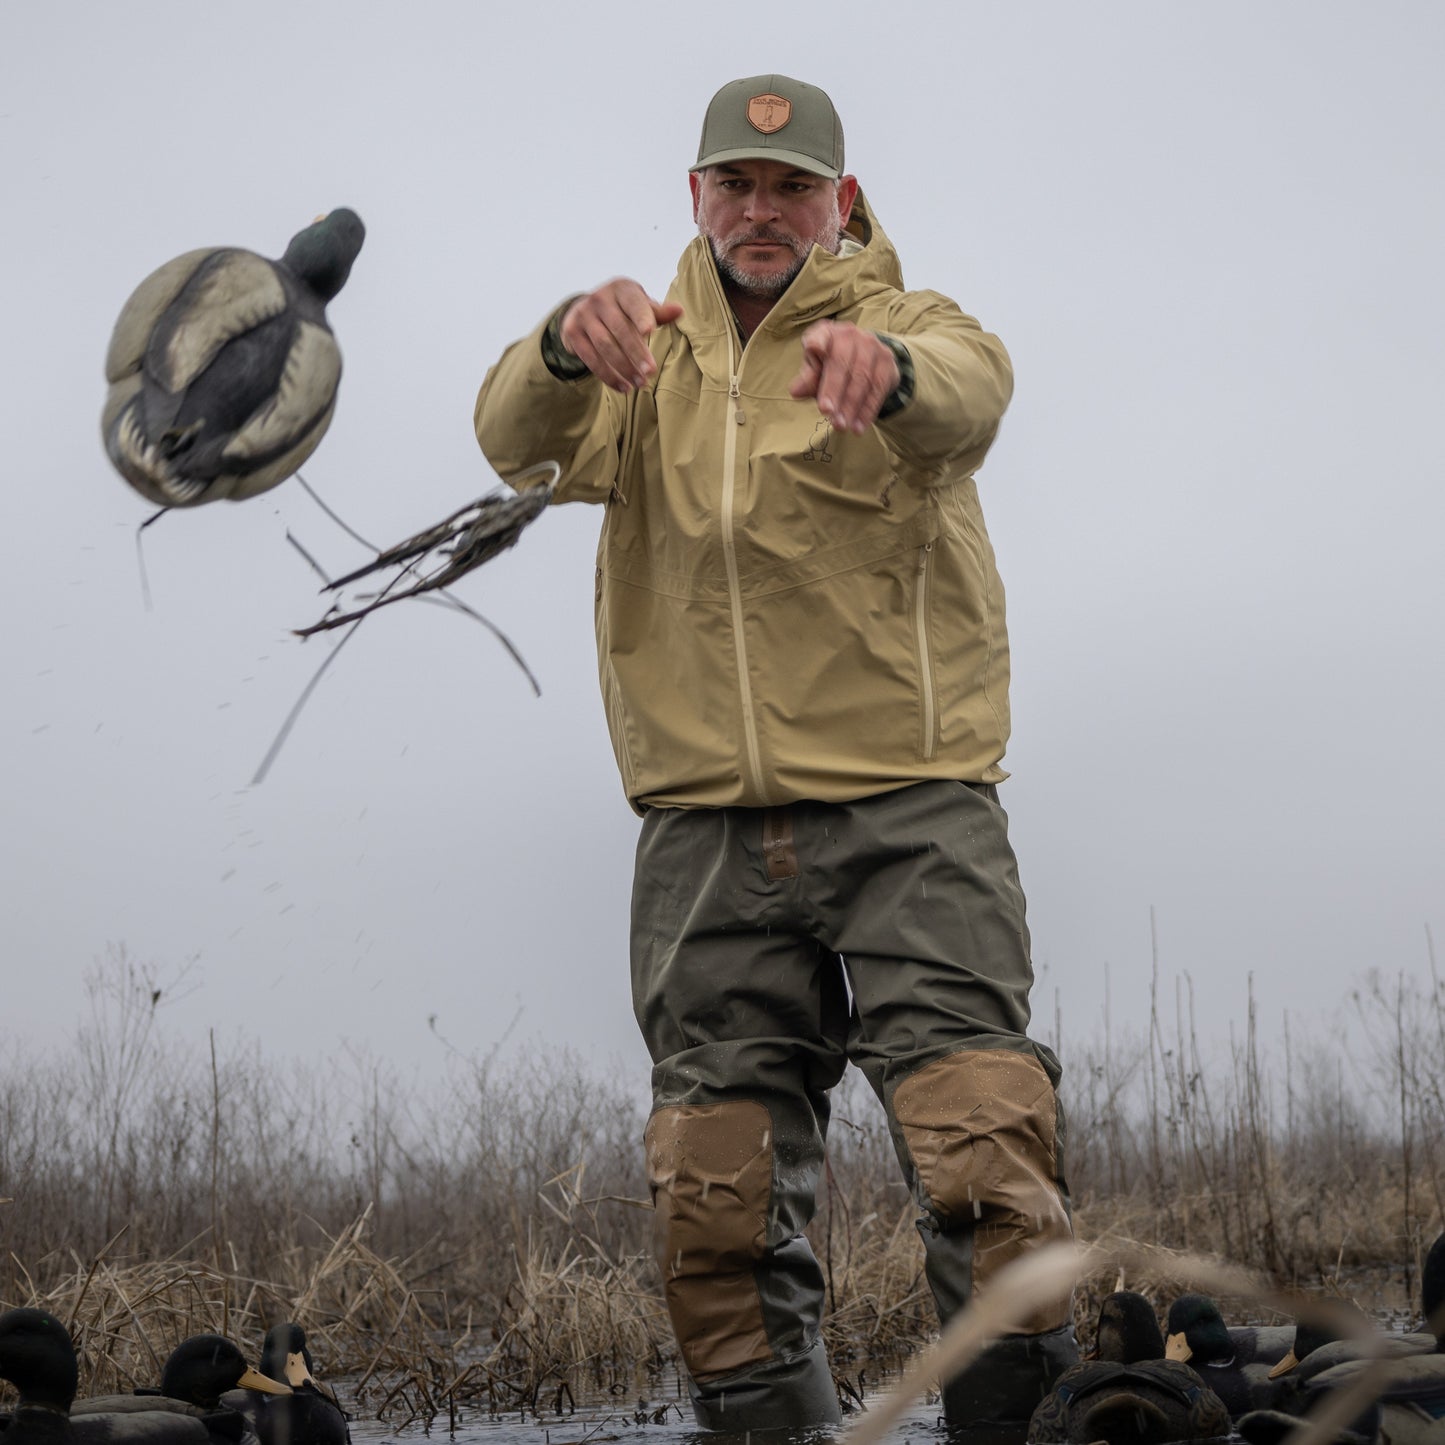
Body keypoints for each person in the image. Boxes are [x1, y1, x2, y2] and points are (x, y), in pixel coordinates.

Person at [474, 73, 1077, 1440]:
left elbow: (971, 396)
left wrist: (894, 374)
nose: (761, 210)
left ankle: (1013, 1424)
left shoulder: (909, 322)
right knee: (712, 1198)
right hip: (700, 830)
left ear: (838, 202)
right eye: (734, 187)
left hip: (912, 806)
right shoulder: (644, 354)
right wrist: (562, 346)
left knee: (985, 1144)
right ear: (693, 198)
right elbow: (514, 443)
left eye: (792, 187)